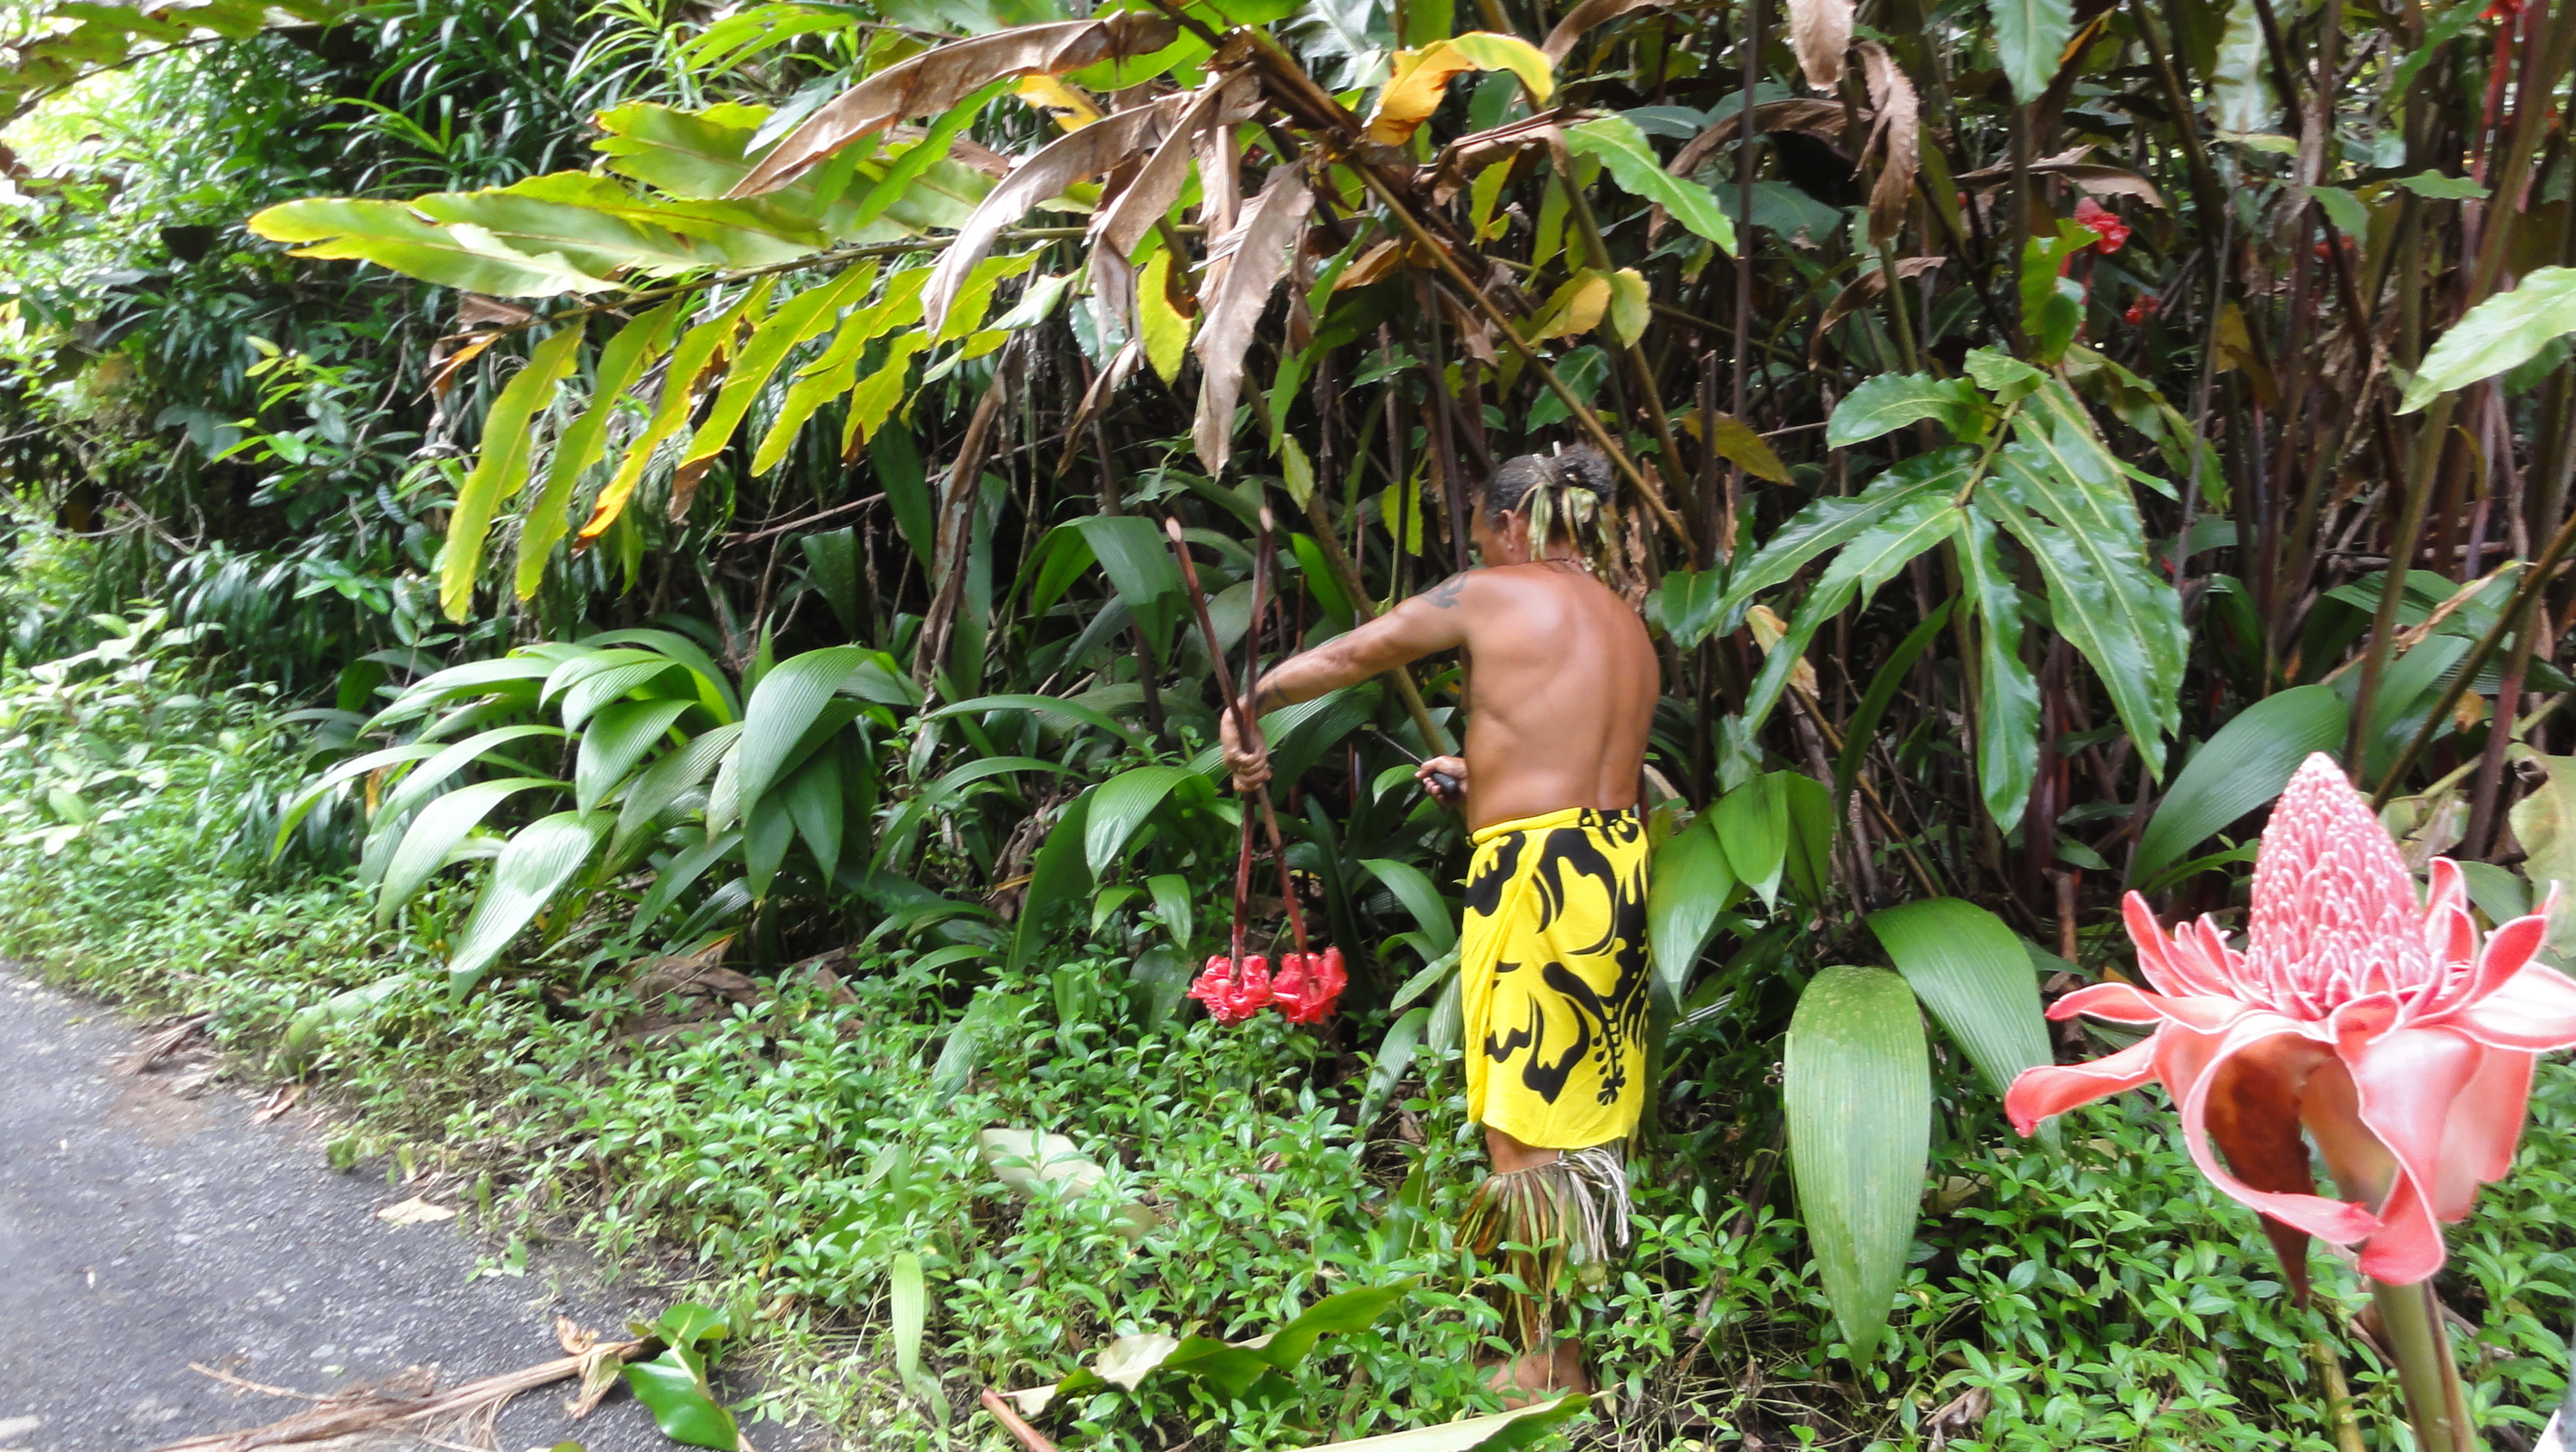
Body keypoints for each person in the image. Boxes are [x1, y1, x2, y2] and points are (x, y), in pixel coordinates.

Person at [1219, 445, 1659, 1397]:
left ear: (1510, 524)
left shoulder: (1492, 591)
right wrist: (1482, 780)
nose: (1481, 552)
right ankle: (1572, 1337)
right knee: (1577, 1112)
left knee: (1521, 1127)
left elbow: (1354, 653)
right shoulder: (1625, 622)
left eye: (1482, 536)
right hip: (1613, 867)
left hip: (1534, 877)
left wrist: (1250, 704)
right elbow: (1576, 762)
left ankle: (1546, 1364)